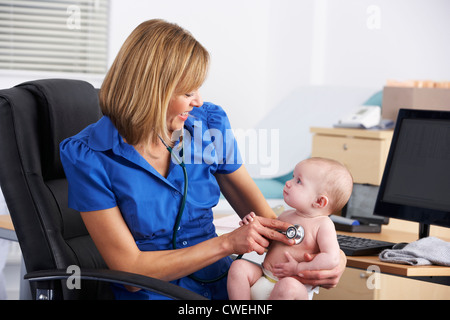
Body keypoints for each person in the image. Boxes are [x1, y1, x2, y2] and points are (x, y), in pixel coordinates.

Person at [60, 19, 346, 300]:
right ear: (152, 92)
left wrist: (335, 257)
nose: (197, 101)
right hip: (155, 293)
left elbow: (275, 226)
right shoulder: (88, 156)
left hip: (227, 286)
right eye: (188, 92)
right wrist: (227, 244)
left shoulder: (207, 124)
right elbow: (130, 271)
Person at [227, 157, 353, 300]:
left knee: (287, 285)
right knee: (238, 267)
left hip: (293, 289)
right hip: (264, 276)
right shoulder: (286, 215)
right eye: (293, 177)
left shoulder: (323, 225)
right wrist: (250, 225)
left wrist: (298, 269)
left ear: (319, 201)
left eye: (298, 181)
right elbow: (268, 240)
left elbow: (331, 258)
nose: (288, 183)